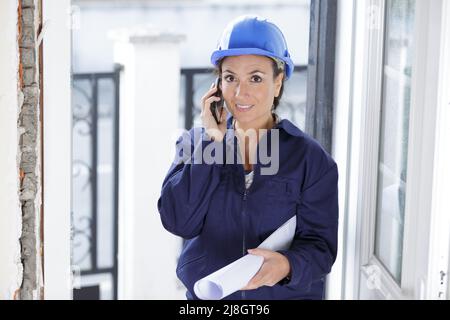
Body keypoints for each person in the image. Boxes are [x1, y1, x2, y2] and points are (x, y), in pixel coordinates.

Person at [157, 15, 338, 300]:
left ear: (278, 83)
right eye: (230, 78)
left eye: (256, 78)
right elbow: (179, 221)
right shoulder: (194, 144)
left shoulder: (310, 159)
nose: (241, 92)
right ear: (217, 86)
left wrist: (287, 265)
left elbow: (321, 248)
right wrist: (212, 142)